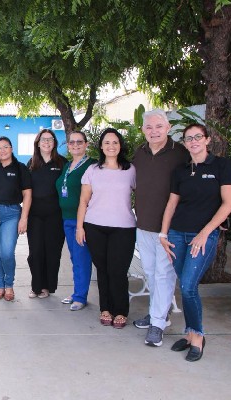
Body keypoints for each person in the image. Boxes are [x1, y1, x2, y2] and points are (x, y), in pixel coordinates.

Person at [160, 123, 231, 362]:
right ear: (184, 143)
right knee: (185, 285)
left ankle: (198, 337)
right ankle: (190, 333)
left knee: (188, 287)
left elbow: (228, 203)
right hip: (176, 235)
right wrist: (163, 235)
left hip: (203, 236)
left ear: (207, 139)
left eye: (197, 137)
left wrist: (204, 233)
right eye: (188, 138)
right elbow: (172, 204)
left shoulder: (221, 165)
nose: (193, 141)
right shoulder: (180, 171)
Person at [132, 109, 189, 347]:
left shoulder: (181, 153)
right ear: (143, 130)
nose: (154, 131)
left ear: (168, 128)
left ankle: (157, 325)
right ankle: (160, 314)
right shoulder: (140, 153)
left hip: (170, 228)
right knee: (151, 272)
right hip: (144, 224)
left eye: (158, 126)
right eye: (149, 127)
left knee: (164, 275)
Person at [76, 128, 136, 329]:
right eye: (107, 142)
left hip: (123, 228)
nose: (111, 146)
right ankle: (106, 309)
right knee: (102, 270)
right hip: (95, 227)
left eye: (115, 142)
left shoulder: (131, 170)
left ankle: (121, 310)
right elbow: (83, 201)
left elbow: (144, 196)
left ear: (120, 146)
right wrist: (79, 227)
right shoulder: (92, 170)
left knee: (118, 270)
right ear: (101, 146)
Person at [0, 136, 32, 301]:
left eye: (5, 147)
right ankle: (0, 286)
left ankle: (9, 284)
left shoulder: (20, 168)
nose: (2, 150)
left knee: (6, 252)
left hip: (11, 213)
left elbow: (27, 194)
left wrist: (24, 218)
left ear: (11, 148)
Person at [56, 131, 96, 311]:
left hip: (82, 220)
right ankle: (77, 291)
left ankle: (80, 297)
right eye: (72, 142)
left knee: (81, 258)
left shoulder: (92, 165)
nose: (75, 145)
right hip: (67, 218)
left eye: (79, 142)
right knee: (75, 258)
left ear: (86, 144)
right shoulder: (67, 165)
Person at [26, 129, 66, 299]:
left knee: (52, 252)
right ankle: (36, 286)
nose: (47, 142)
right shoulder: (31, 163)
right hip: (35, 215)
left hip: (55, 215)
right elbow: (25, 190)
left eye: (50, 139)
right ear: (38, 142)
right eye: (43, 139)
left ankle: (47, 287)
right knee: (35, 252)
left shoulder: (62, 163)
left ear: (54, 143)